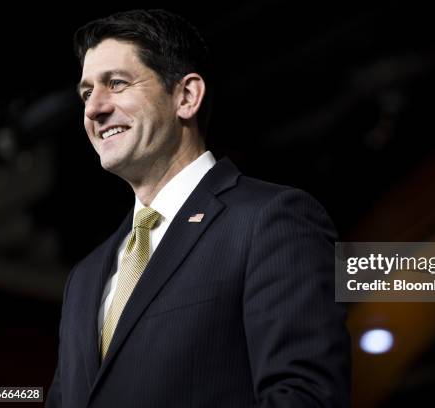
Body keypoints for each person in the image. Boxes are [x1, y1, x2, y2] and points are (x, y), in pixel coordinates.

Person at [46, 9, 351, 408]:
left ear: (186, 97)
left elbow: (306, 397)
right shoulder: (83, 280)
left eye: (116, 84)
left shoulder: (272, 220)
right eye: (87, 93)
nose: (93, 109)